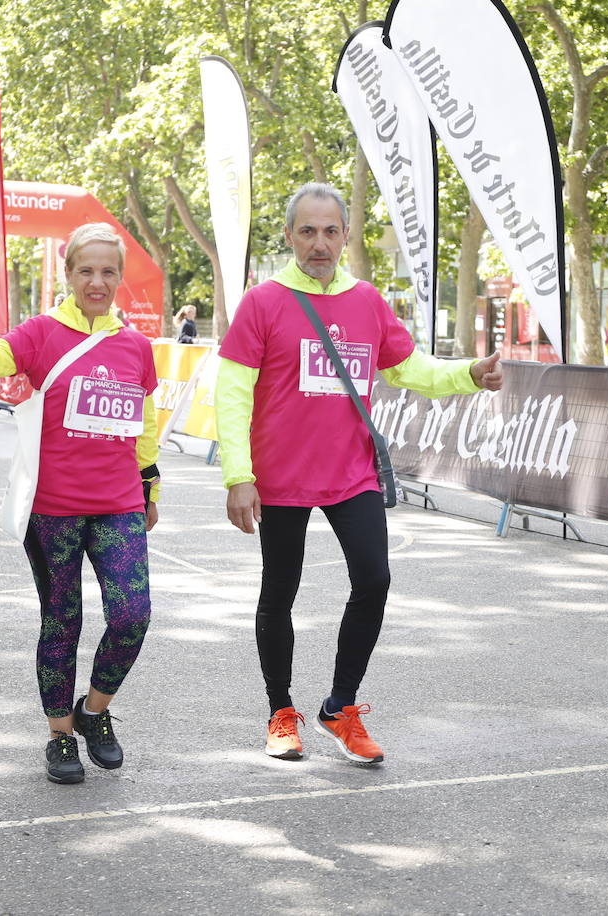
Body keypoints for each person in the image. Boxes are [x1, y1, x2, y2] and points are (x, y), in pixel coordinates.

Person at [215, 182, 505, 764]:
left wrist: (469, 372)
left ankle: (339, 708)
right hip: (280, 477)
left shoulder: (367, 301)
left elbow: (408, 368)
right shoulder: (263, 301)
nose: (319, 243)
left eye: (330, 231)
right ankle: (280, 712)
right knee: (280, 593)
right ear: (291, 236)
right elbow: (232, 392)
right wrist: (238, 475)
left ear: (346, 235)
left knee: (374, 581)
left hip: (352, 474)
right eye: (307, 231)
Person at [0, 223, 161, 786]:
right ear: (68, 274)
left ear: (120, 277)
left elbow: (144, 426)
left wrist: (150, 486)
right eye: (86, 270)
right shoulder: (43, 333)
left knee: (132, 616)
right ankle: (60, 736)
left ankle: (94, 712)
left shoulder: (137, 347)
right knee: (62, 622)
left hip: (118, 505)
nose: (97, 281)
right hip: (53, 510)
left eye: (108, 271)